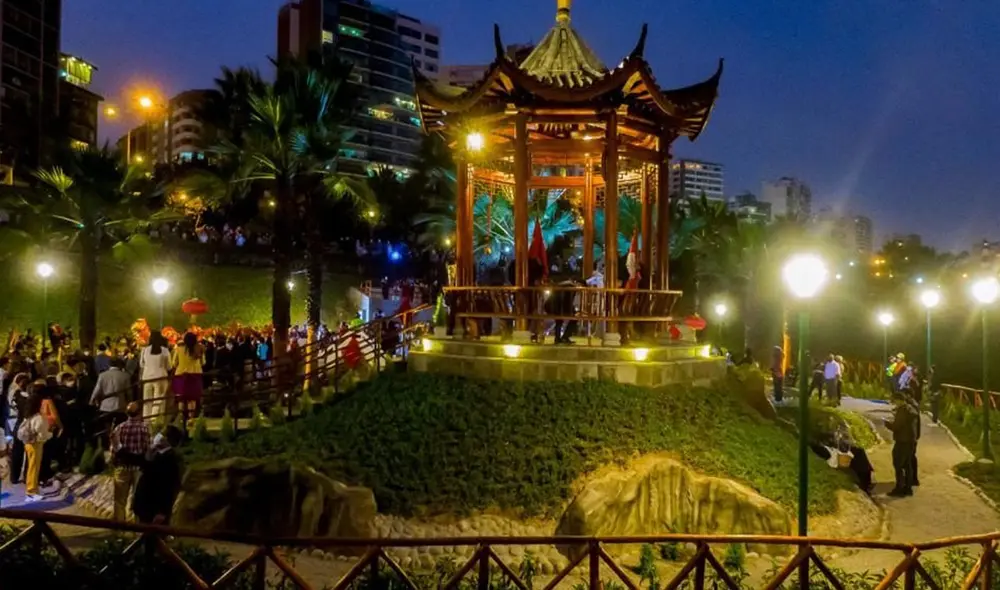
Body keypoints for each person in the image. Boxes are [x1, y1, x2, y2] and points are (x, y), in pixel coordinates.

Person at [132, 425, 184, 524]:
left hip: (155, 510)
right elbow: (144, 473)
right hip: (144, 505)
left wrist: (162, 511)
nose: (157, 436)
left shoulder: (171, 459)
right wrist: (147, 458)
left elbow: (170, 487)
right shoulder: (154, 453)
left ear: (167, 439)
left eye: (161, 434)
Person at [111, 402, 150, 521]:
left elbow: (113, 449)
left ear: (127, 413)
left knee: (119, 500)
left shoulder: (119, 428)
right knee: (138, 498)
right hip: (138, 468)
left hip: (123, 466)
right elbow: (148, 448)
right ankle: (137, 525)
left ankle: (120, 526)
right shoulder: (145, 428)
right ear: (139, 412)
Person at [16, 391, 52, 502]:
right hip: (36, 444)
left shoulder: (28, 415)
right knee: (34, 468)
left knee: (31, 466)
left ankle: (33, 489)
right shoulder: (39, 417)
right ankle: (31, 492)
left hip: (28, 443)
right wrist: (50, 434)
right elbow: (42, 434)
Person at [885, 392, 919, 497]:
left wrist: (887, 424)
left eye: (894, 400)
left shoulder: (902, 411)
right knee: (908, 464)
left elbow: (897, 426)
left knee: (898, 464)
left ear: (899, 400)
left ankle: (899, 488)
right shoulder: (911, 409)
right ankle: (908, 488)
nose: (894, 403)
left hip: (902, 440)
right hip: (910, 440)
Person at [91, 357, 131, 439]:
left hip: (105, 406)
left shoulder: (102, 375)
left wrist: (92, 400)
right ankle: (117, 441)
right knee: (119, 427)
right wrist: (129, 402)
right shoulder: (125, 376)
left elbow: (97, 390)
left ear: (109, 365)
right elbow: (129, 392)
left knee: (106, 427)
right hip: (120, 405)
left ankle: (107, 441)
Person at [172, 332, 205, 421]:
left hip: (181, 375)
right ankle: (191, 419)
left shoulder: (179, 349)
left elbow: (174, 363)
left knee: (181, 399)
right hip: (195, 375)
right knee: (192, 399)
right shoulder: (199, 349)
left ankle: (180, 418)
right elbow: (203, 363)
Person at [140, 331, 172, 420]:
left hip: (147, 378)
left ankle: (146, 421)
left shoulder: (144, 350)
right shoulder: (164, 350)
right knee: (159, 401)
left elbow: (141, 364)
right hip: (160, 377)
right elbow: (169, 366)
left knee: (147, 401)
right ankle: (156, 421)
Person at [6, 373, 31, 484]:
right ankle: (26, 476)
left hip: (18, 425)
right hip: (27, 425)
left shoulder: (15, 395)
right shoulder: (30, 397)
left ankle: (14, 477)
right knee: (28, 453)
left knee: (17, 451)